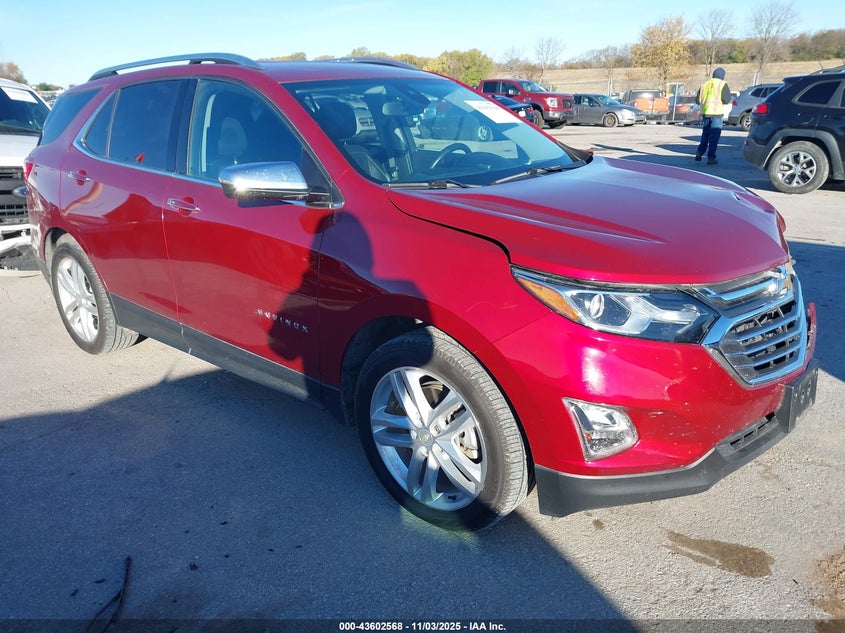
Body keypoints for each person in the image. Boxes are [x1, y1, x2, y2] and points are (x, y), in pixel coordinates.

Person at [695, 67, 731, 165]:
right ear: (722, 76)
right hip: (716, 113)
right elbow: (726, 99)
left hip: (705, 113)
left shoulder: (704, 84)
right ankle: (711, 157)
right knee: (714, 136)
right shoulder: (722, 84)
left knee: (705, 134)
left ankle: (699, 152)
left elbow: (697, 100)